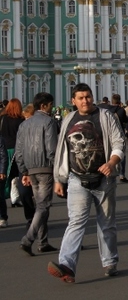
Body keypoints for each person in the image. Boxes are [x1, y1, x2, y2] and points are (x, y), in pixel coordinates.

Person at [48, 83, 125, 283]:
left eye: (88, 96)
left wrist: (111, 162)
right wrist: (59, 178)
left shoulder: (106, 116)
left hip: (104, 179)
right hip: (76, 179)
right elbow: (62, 150)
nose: (85, 101)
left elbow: (119, 142)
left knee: (106, 224)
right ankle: (67, 265)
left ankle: (109, 261)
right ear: (73, 101)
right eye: (80, 98)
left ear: (93, 97)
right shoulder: (68, 120)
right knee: (75, 222)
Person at [14, 92, 59, 255]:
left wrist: (23, 170)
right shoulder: (49, 122)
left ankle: (43, 241)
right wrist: (58, 170)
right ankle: (28, 239)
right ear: (44, 105)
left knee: (41, 204)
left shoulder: (24, 124)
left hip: (30, 169)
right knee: (43, 205)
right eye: (50, 104)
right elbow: (52, 149)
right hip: (45, 168)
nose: (52, 107)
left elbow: (19, 151)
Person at [0, 98, 26, 210]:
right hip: (16, 150)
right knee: (15, 175)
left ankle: (5, 195)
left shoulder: (2, 118)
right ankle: (14, 196)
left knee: (5, 174)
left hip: (4, 148)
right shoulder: (20, 120)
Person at [104, 94, 128, 182]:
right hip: (119, 133)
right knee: (121, 153)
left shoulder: (107, 110)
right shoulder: (121, 110)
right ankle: (122, 175)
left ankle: (108, 171)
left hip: (108, 134)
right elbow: (126, 120)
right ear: (119, 101)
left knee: (109, 153)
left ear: (112, 101)